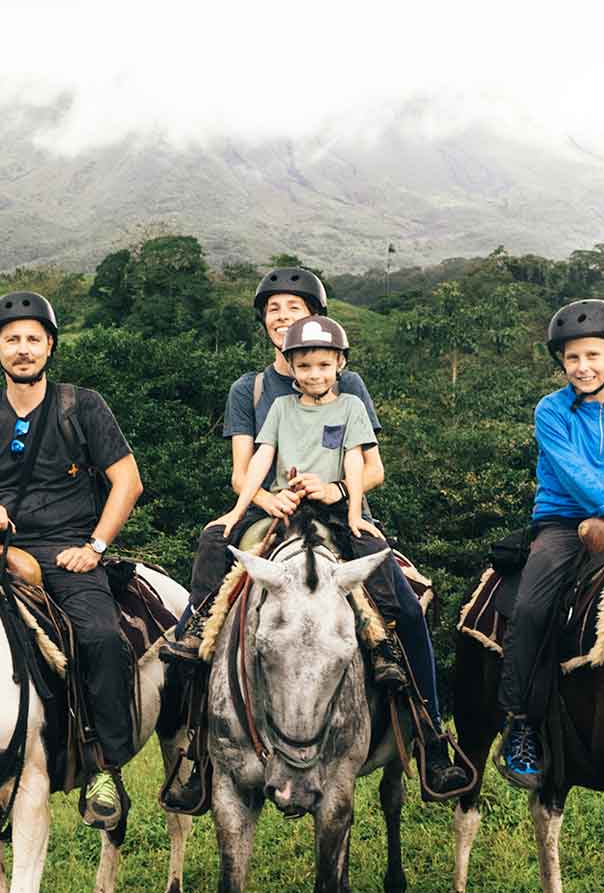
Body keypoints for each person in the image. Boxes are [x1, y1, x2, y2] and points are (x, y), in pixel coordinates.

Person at [164, 310, 470, 803]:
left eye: (323, 365)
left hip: (334, 509)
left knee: (405, 605)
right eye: (274, 309)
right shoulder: (261, 396)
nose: (315, 372)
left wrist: (342, 499)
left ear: (337, 361)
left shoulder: (351, 395)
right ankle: (200, 732)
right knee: (214, 557)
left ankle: (430, 732)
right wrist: (254, 503)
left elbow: (366, 465)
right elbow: (253, 465)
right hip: (278, 509)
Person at [0, 289, 146, 831]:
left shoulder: (83, 406)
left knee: (100, 637)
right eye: (11, 340)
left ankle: (104, 769)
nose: (22, 349)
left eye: (32, 338)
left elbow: (127, 481)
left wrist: (94, 547)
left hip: (69, 547)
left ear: (49, 345)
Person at [496, 299, 604, 790]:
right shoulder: (550, 410)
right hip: (562, 524)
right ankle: (520, 723)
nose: (582, 367)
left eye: (593, 355)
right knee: (531, 608)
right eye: (572, 358)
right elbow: (573, 475)